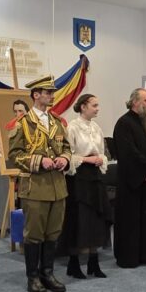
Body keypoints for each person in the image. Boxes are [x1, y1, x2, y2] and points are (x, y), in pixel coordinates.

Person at [8, 75, 72, 292]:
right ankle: (33, 277)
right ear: (36, 95)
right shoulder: (23, 123)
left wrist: (64, 158)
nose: (52, 96)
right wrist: (38, 160)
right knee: (34, 234)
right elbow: (14, 155)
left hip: (57, 186)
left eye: (52, 92)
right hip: (35, 186)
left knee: (53, 232)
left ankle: (47, 273)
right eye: (48, 92)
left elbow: (66, 147)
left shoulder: (56, 121)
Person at [112, 88, 146, 267]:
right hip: (132, 182)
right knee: (132, 221)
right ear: (135, 102)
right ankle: (130, 257)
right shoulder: (124, 123)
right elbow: (128, 152)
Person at [61, 94, 112, 279]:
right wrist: (87, 159)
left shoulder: (96, 127)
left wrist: (100, 159)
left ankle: (93, 261)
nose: (97, 109)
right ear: (83, 107)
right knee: (79, 219)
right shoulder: (73, 127)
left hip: (95, 177)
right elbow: (69, 155)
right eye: (94, 105)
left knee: (95, 219)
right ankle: (74, 263)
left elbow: (102, 152)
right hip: (78, 177)